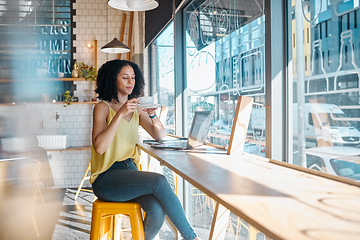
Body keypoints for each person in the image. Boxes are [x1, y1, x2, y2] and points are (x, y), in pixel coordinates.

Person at [90, 59, 200, 240]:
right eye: (125, 77)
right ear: (112, 79)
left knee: (157, 210)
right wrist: (119, 114)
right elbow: (100, 148)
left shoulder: (137, 110)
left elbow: (160, 136)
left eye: (133, 77)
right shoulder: (103, 108)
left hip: (129, 172)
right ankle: (191, 237)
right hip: (106, 178)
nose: (130, 82)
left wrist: (152, 115)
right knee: (159, 180)